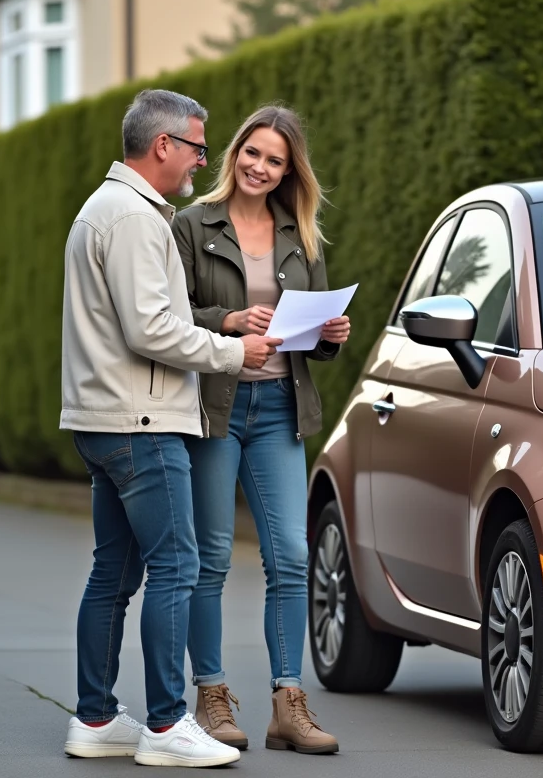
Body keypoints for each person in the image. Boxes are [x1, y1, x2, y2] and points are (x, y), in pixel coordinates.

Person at [58, 88, 281, 768]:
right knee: (177, 566)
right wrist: (232, 353)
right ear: (163, 146)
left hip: (108, 418)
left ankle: (96, 719)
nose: (199, 162)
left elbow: (153, 316)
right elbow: (150, 329)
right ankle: (164, 726)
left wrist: (222, 326)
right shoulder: (132, 216)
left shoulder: (111, 209)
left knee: (114, 573)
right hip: (143, 423)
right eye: (196, 148)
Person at [172, 103, 349, 755]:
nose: (261, 167)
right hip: (215, 408)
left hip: (280, 406)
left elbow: (315, 335)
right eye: (253, 153)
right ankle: (211, 697)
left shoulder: (302, 236)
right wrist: (226, 319)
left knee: (292, 558)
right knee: (210, 558)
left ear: (288, 171)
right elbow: (167, 316)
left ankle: (287, 703)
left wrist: (331, 337)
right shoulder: (192, 226)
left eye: (275, 160)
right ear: (235, 152)